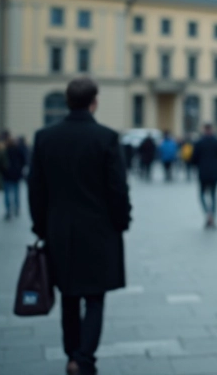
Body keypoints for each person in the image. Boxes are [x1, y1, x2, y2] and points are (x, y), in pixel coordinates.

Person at [28, 78, 131, 375]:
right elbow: (118, 189)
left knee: (69, 297)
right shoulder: (106, 138)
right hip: (99, 231)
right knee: (95, 298)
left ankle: (72, 352)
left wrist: (40, 226)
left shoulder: (45, 137)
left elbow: (36, 187)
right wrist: (121, 222)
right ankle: (84, 358)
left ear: (67, 101)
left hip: (59, 229)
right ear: (93, 101)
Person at [190, 124, 217, 229]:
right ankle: (212, 215)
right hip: (215, 172)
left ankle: (208, 213)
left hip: (203, 173)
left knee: (202, 195)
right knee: (213, 195)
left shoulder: (199, 143)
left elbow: (194, 159)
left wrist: (195, 166)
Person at [1, 130, 27, 220]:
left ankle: (8, 210)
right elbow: (24, 160)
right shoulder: (18, 150)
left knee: (7, 193)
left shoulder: (4, 150)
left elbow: (1, 163)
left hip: (7, 174)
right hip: (16, 173)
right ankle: (17, 208)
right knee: (16, 192)